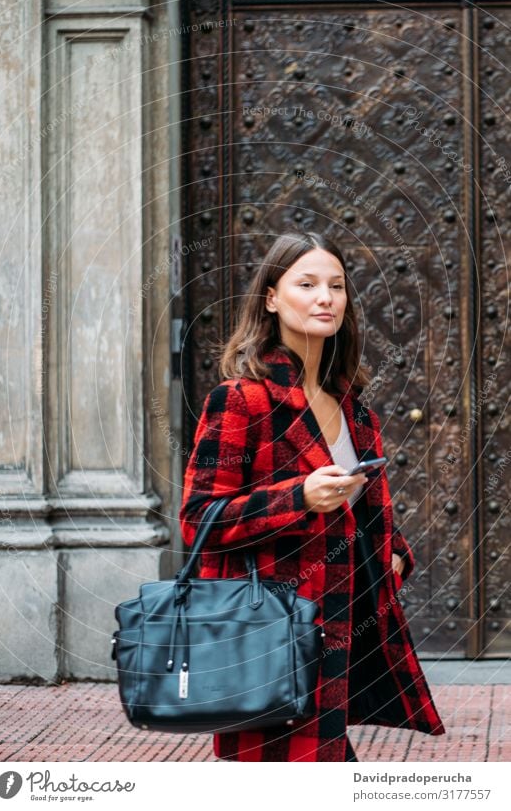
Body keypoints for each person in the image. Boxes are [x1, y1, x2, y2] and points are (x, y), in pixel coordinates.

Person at [179, 231, 445, 762]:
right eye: (307, 284)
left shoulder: (354, 409)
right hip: (267, 635)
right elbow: (198, 518)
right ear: (271, 299)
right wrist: (297, 496)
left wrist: (395, 552)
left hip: (342, 632)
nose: (326, 297)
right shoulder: (241, 400)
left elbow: (360, 513)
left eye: (336, 286)